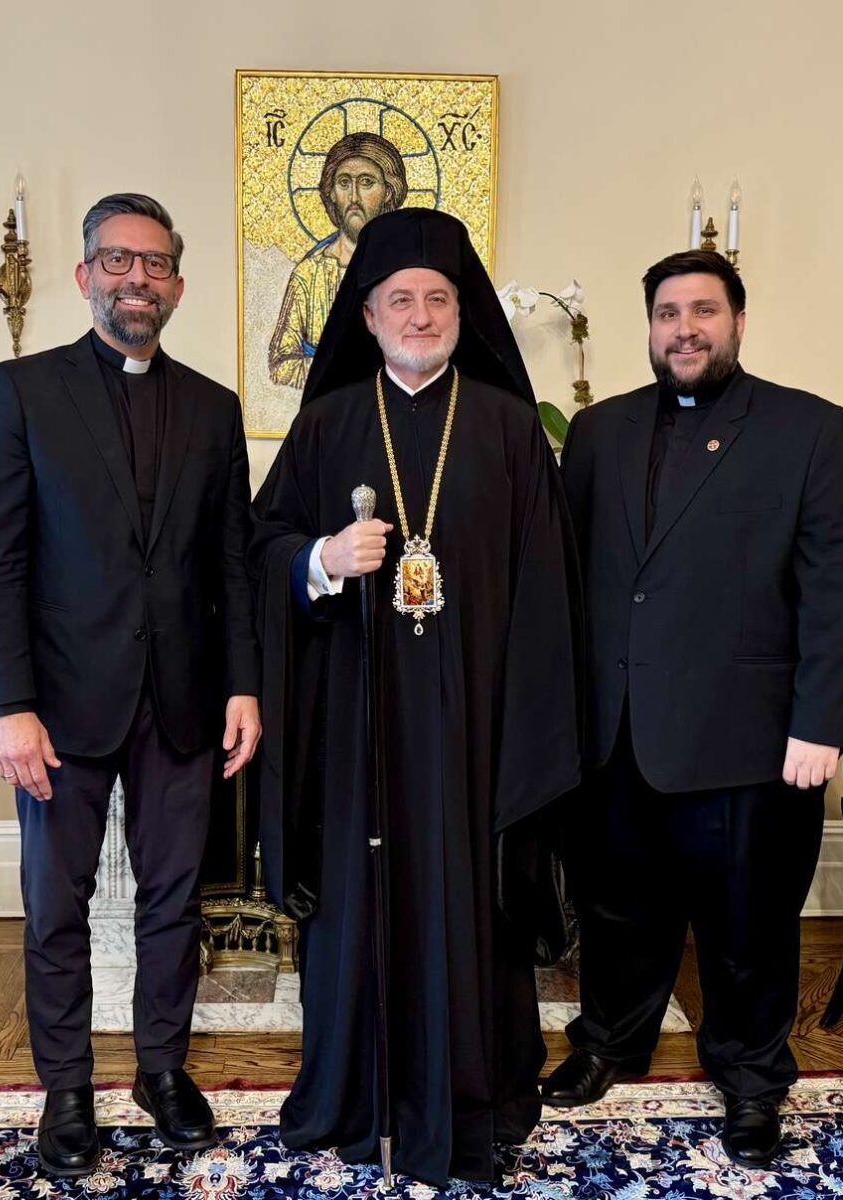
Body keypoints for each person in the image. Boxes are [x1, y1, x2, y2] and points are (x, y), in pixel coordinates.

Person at [251, 208, 580, 1186]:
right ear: (367, 315)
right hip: (356, 726)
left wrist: (527, 731)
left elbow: (550, 592)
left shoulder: (512, 429)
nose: (421, 315)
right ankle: (355, 1093)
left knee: (468, 906)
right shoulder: (327, 425)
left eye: (439, 298)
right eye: (401, 299)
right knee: (359, 905)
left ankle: (472, 1093)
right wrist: (321, 557)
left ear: (463, 312)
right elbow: (259, 549)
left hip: (477, 730)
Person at [549, 250, 843, 1165]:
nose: (684, 329)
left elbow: (841, 584)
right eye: (667, 314)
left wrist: (822, 722)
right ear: (649, 328)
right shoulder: (600, 431)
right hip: (618, 733)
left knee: (748, 929)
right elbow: (571, 574)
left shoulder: (809, 429)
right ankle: (611, 1044)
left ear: (738, 320)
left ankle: (752, 1079)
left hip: (751, 742)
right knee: (617, 914)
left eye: (703, 311)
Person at [0, 193, 261, 1177]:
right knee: (58, 908)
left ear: (177, 284)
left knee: (174, 905)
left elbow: (232, 565)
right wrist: (7, 705)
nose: (138, 278)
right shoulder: (20, 392)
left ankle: (162, 1072)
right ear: (86, 274)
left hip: (181, 701)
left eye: (156, 263)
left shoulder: (214, 408)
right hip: (56, 707)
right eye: (120, 260)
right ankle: (68, 1087)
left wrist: (243, 685)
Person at [267, 132, 408, 387]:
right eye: (344, 183)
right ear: (331, 192)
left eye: (366, 182)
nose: (354, 197)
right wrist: (344, 372)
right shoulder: (309, 275)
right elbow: (281, 364)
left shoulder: (410, 271)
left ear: (388, 191)